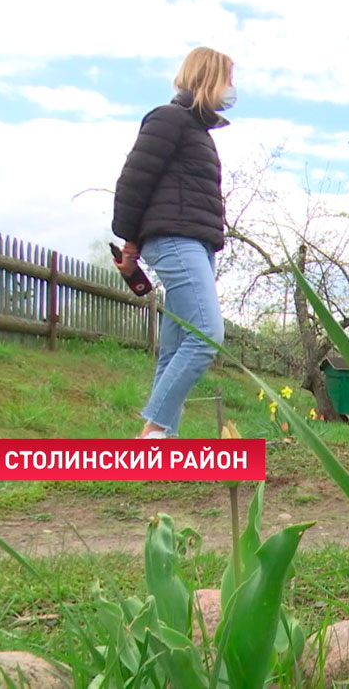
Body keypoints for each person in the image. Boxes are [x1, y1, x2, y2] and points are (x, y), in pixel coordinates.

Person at [111, 47, 235, 439]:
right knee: (205, 334)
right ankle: (153, 430)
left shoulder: (196, 131)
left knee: (178, 343)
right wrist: (129, 239)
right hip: (173, 238)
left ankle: (164, 447)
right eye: (228, 80)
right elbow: (134, 179)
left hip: (196, 242)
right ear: (210, 79)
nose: (231, 89)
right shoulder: (168, 119)